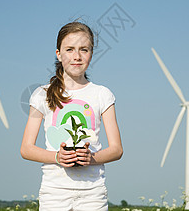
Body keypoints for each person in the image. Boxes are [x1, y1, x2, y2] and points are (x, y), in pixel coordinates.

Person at [20, 21, 123, 211]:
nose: (77, 56)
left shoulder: (102, 94)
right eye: (69, 49)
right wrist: (57, 157)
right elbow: (26, 148)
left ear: (92, 53)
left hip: (92, 192)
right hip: (54, 192)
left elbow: (116, 149)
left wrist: (91, 158)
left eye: (84, 49)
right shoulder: (41, 94)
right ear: (58, 54)